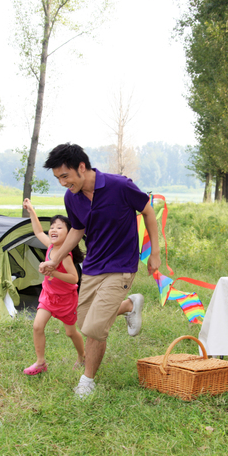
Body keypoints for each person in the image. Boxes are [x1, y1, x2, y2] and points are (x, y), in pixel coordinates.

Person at [37, 143, 161, 399]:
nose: (63, 183)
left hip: (121, 265)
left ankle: (87, 381)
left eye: (65, 176)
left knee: (94, 329)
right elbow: (77, 229)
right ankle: (129, 306)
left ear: (81, 167)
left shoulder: (120, 186)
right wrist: (55, 259)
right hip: (93, 266)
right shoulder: (72, 197)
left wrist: (155, 253)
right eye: (58, 178)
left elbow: (148, 211)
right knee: (84, 322)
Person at [21, 199, 86, 375]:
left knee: (70, 332)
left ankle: (82, 356)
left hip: (66, 299)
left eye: (59, 227)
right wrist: (32, 210)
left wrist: (53, 272)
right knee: (37, 326)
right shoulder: (50, 246)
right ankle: (40, 363)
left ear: (69, 234)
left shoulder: (65, 256)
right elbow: (37, 231)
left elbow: (74, 278)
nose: (53, 230)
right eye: (52, 227)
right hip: (48, 296)